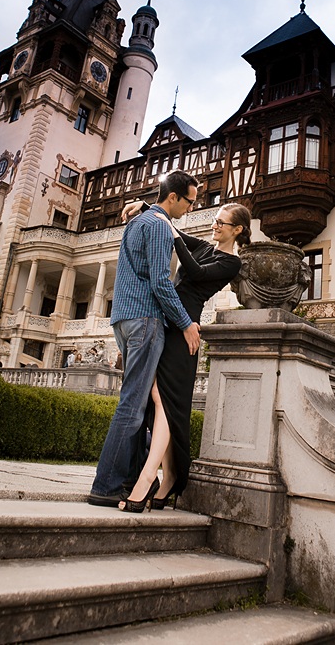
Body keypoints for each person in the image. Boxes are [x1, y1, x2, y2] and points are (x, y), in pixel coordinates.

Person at [118, 200, 252, 513]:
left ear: (238, 230)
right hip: (170, 322)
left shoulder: (232, 262)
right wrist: (149, 206)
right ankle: (171, 477)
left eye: (222, 222)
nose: (215, 225)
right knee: (158, 397)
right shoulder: (207, 244)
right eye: (216, 220)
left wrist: (172, 234)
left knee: (164, 398)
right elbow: (173, 229)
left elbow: (192, 268)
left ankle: (150, 478)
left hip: (185, 330)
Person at [87, 169, 200, 508]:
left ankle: (128, 480)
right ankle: (105, 486)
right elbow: (160, 283)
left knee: (138, 403)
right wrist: (185, 323)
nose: (191, 208)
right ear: (173, 198)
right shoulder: (157, 226)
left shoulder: (137, 222)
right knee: (133, 406)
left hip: (122, 318)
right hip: (145, 320)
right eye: (190, 202)